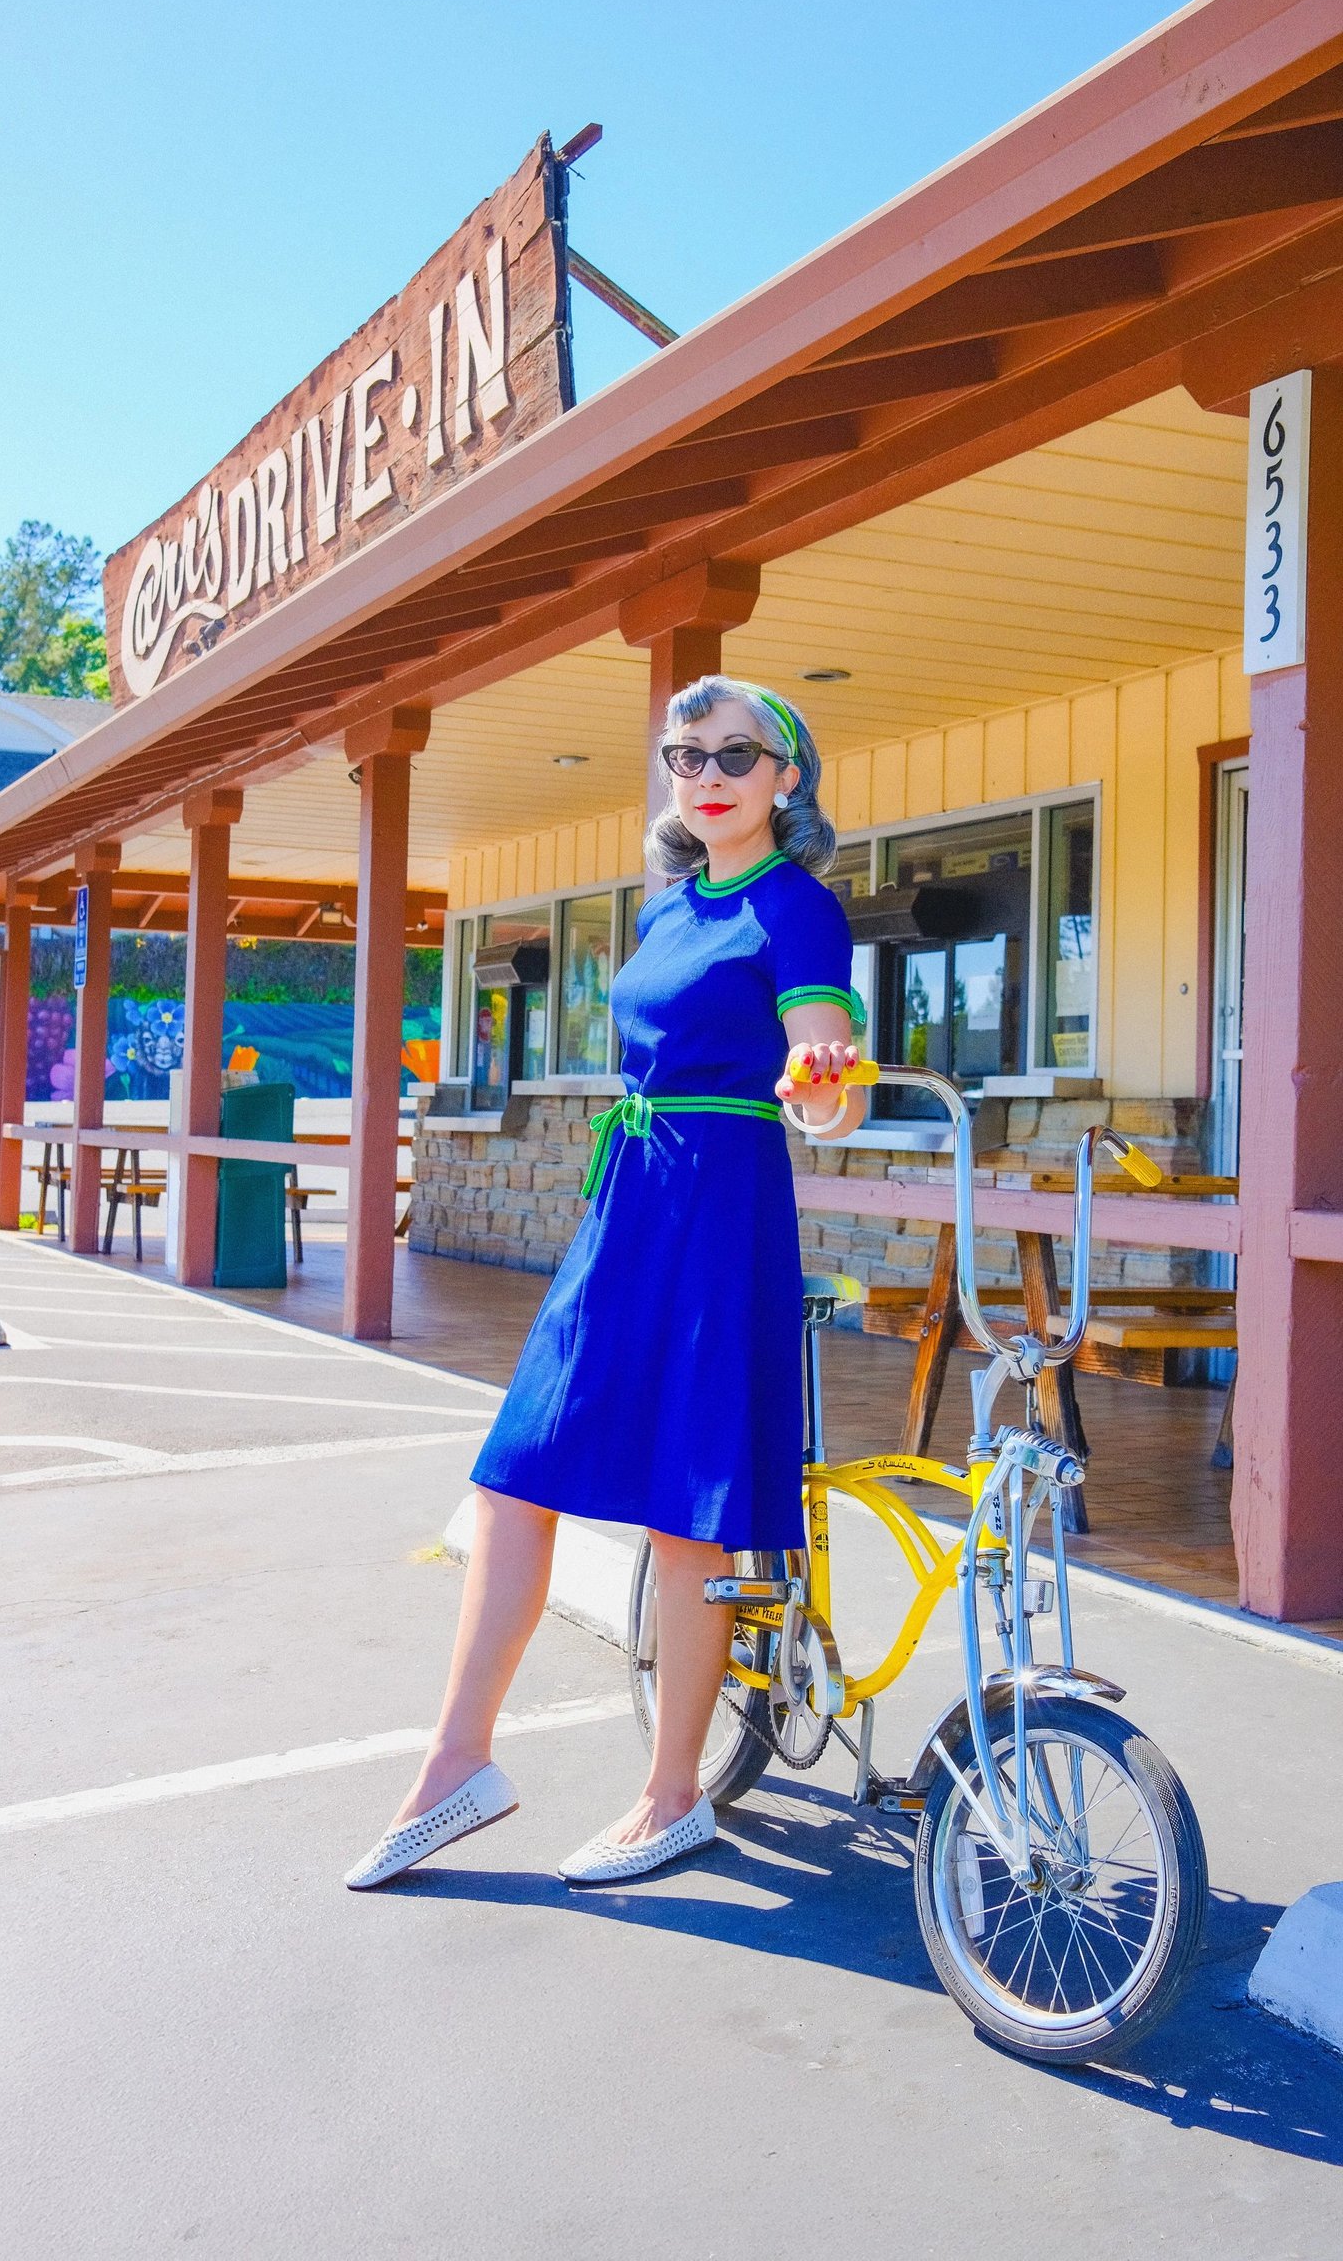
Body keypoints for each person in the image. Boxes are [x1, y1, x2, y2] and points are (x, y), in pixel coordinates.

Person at [346, 676, 867, 1891]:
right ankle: (456, 1763)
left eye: (736, 754)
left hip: (721, 1206)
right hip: (626, 1199)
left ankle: (673, 1795)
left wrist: (824, 1081)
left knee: (687, 1508)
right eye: (687, 755)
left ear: (785, 777)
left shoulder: (797, 908)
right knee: (514, 1475)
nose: (707, 775)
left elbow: (825, 1083)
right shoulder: (669, 906)